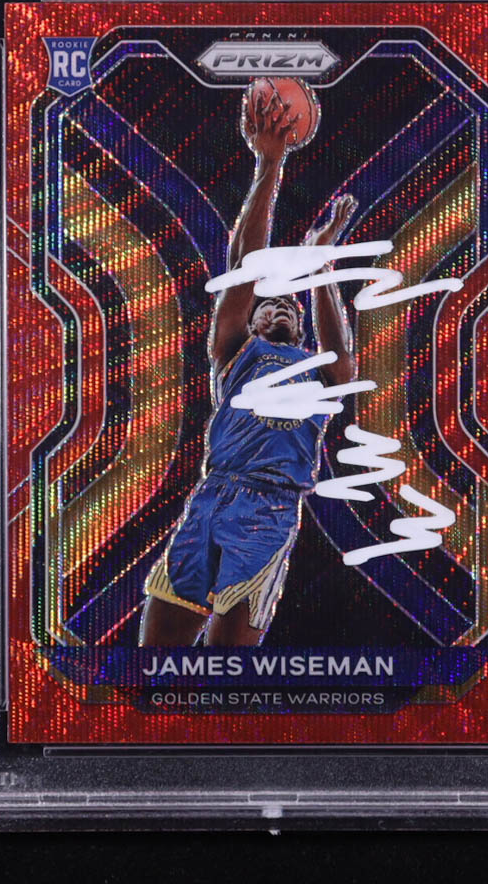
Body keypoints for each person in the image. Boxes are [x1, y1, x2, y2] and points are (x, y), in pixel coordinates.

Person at [139, 85, 357, 646]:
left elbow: (345, 365)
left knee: (228, 664)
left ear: (302, 330)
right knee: (156, 659)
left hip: (271, 508)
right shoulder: (237, 352)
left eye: (290, 307)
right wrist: (269, 164)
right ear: (253, 322)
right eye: (269, 305)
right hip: (213, 495)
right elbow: (246, 267)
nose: (280, 306)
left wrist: (322, 267)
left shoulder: (314, 369)